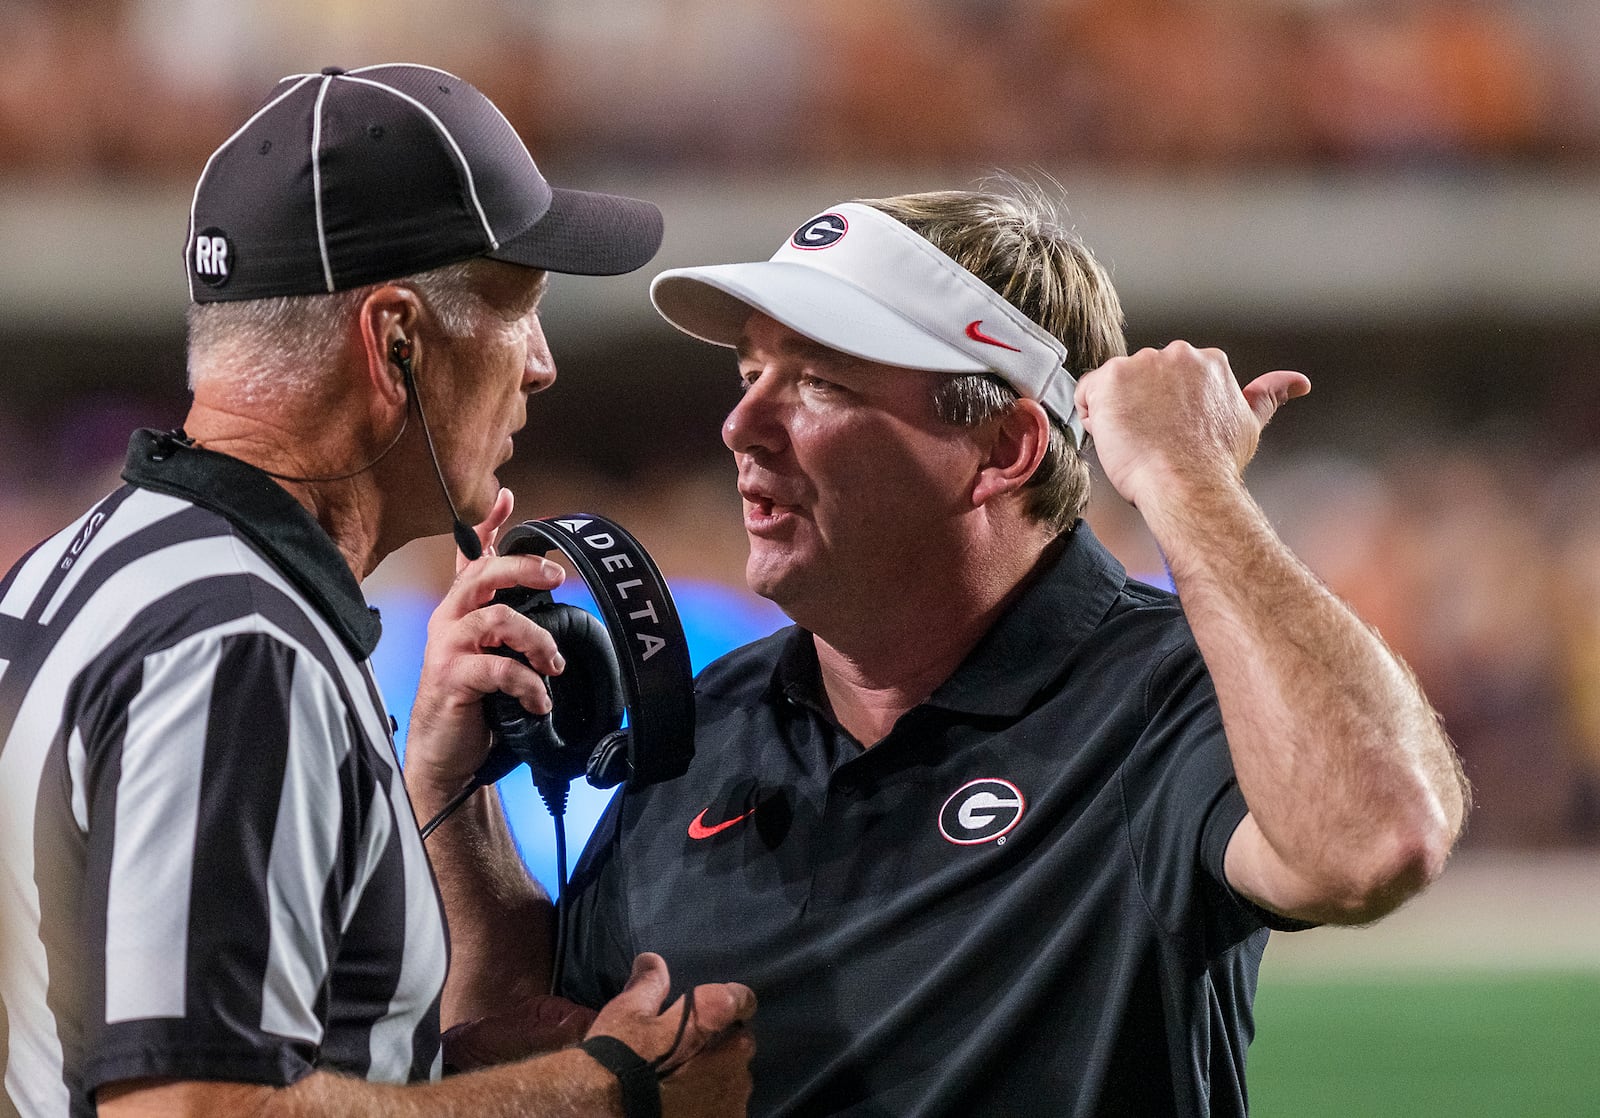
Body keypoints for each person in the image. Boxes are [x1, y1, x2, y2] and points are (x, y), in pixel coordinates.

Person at [548, 187, 1471, 1115]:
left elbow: (1375, 842)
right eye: (748, 374)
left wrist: (1188, 481)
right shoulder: (706, 724)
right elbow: (541, 1049)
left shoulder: (1162, 692)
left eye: (820, 381)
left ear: (1005, 448)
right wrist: (448, 798)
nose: (742, 425)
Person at [0, 64, 754, 1118]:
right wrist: (600, 1089)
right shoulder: (235, 642)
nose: (539, 363)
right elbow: (189, 1107)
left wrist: (428, 1063)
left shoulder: (86, 567)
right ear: (395, 339)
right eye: (517, 307)